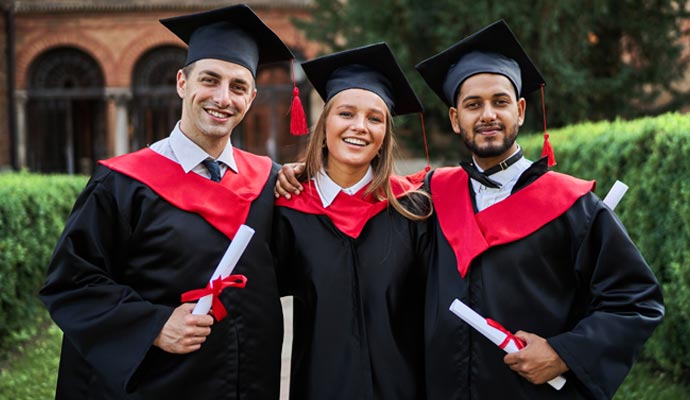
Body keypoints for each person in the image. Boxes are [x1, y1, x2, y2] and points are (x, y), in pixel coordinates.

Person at [39, 5, 295, 399]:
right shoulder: (122, 184)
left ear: (252, 97)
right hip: (159, 384)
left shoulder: (267, 181)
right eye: (209, 80)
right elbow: (72, 283)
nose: (222, 98)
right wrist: (154, 325)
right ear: (181, 82)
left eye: (238, 86)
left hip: (246, 382)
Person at [414, 20, 664, 399]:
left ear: (520, 110)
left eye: (500, 102)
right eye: (472, 105)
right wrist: (295, 174)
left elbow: (636, 300)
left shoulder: (573, 206)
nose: (487, 115)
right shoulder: (432, 196)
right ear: (454, 119)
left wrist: (564, 353)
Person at [272, 42, 432, 400]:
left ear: (385, 135)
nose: (360, 127)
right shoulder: (288, 209)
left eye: (375, 118)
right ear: (324, 122)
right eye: (346, 113)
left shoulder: (414, 210)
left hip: (403, 388)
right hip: (317, 385)